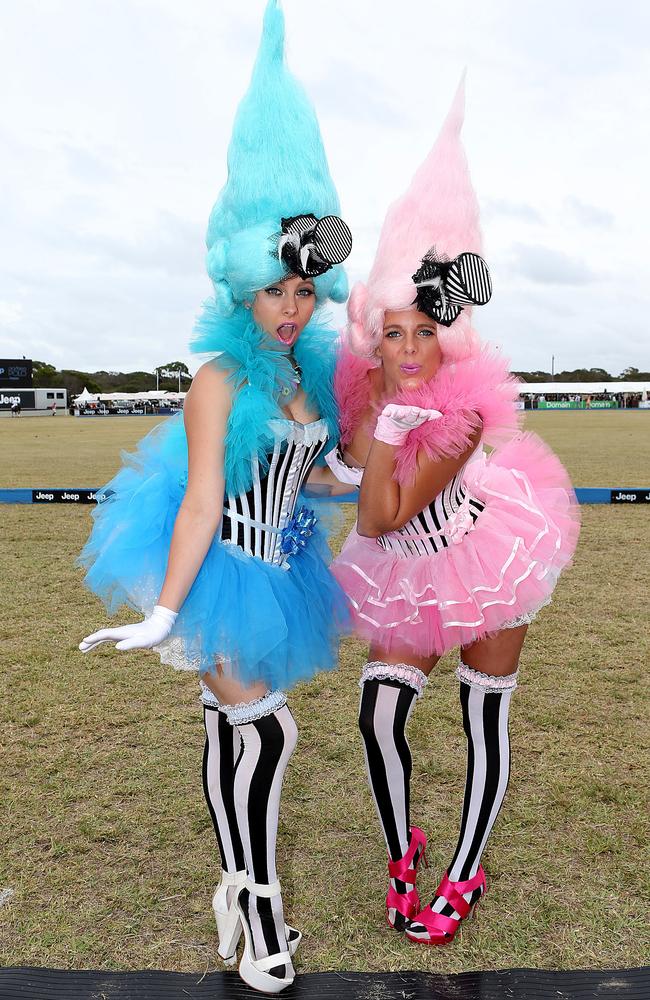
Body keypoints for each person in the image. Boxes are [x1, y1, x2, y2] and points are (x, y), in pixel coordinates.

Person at [77, 2, 352, 992]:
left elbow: (305, 473)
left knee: (224, 726)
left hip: (282, 559)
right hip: (214, 567)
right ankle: (260, 908)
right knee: (268, 727)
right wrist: (161, 614)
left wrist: (349, 472)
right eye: (276, 290)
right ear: (242, 285)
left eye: (304, 291)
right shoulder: (218, 381)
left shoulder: (301, 376)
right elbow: (201, 500)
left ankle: (236, 885)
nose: (291, 308)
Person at [329, 81, 580, 946]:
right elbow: (353, 485)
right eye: (390, 333)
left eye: (421, 334)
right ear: (372, 334)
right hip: (409, 574)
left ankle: (465, 865)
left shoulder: (464, 409)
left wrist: (387, 442)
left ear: (449, 335)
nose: (405, 351)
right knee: (377, 715)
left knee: (483, 716)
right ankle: (404, 852)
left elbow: (383, 514)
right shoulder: (364, 399)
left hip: (484, 554)